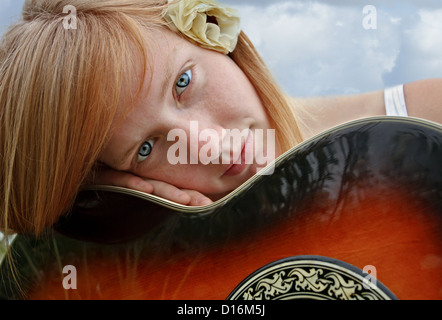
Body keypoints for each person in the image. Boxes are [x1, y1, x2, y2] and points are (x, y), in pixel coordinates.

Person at [0, 0, 441, 237]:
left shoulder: (430, 113)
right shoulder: (178, 280)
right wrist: (115, 218)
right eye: (147, 148)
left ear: (212, 32)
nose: (208, 146)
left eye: (183, 83)